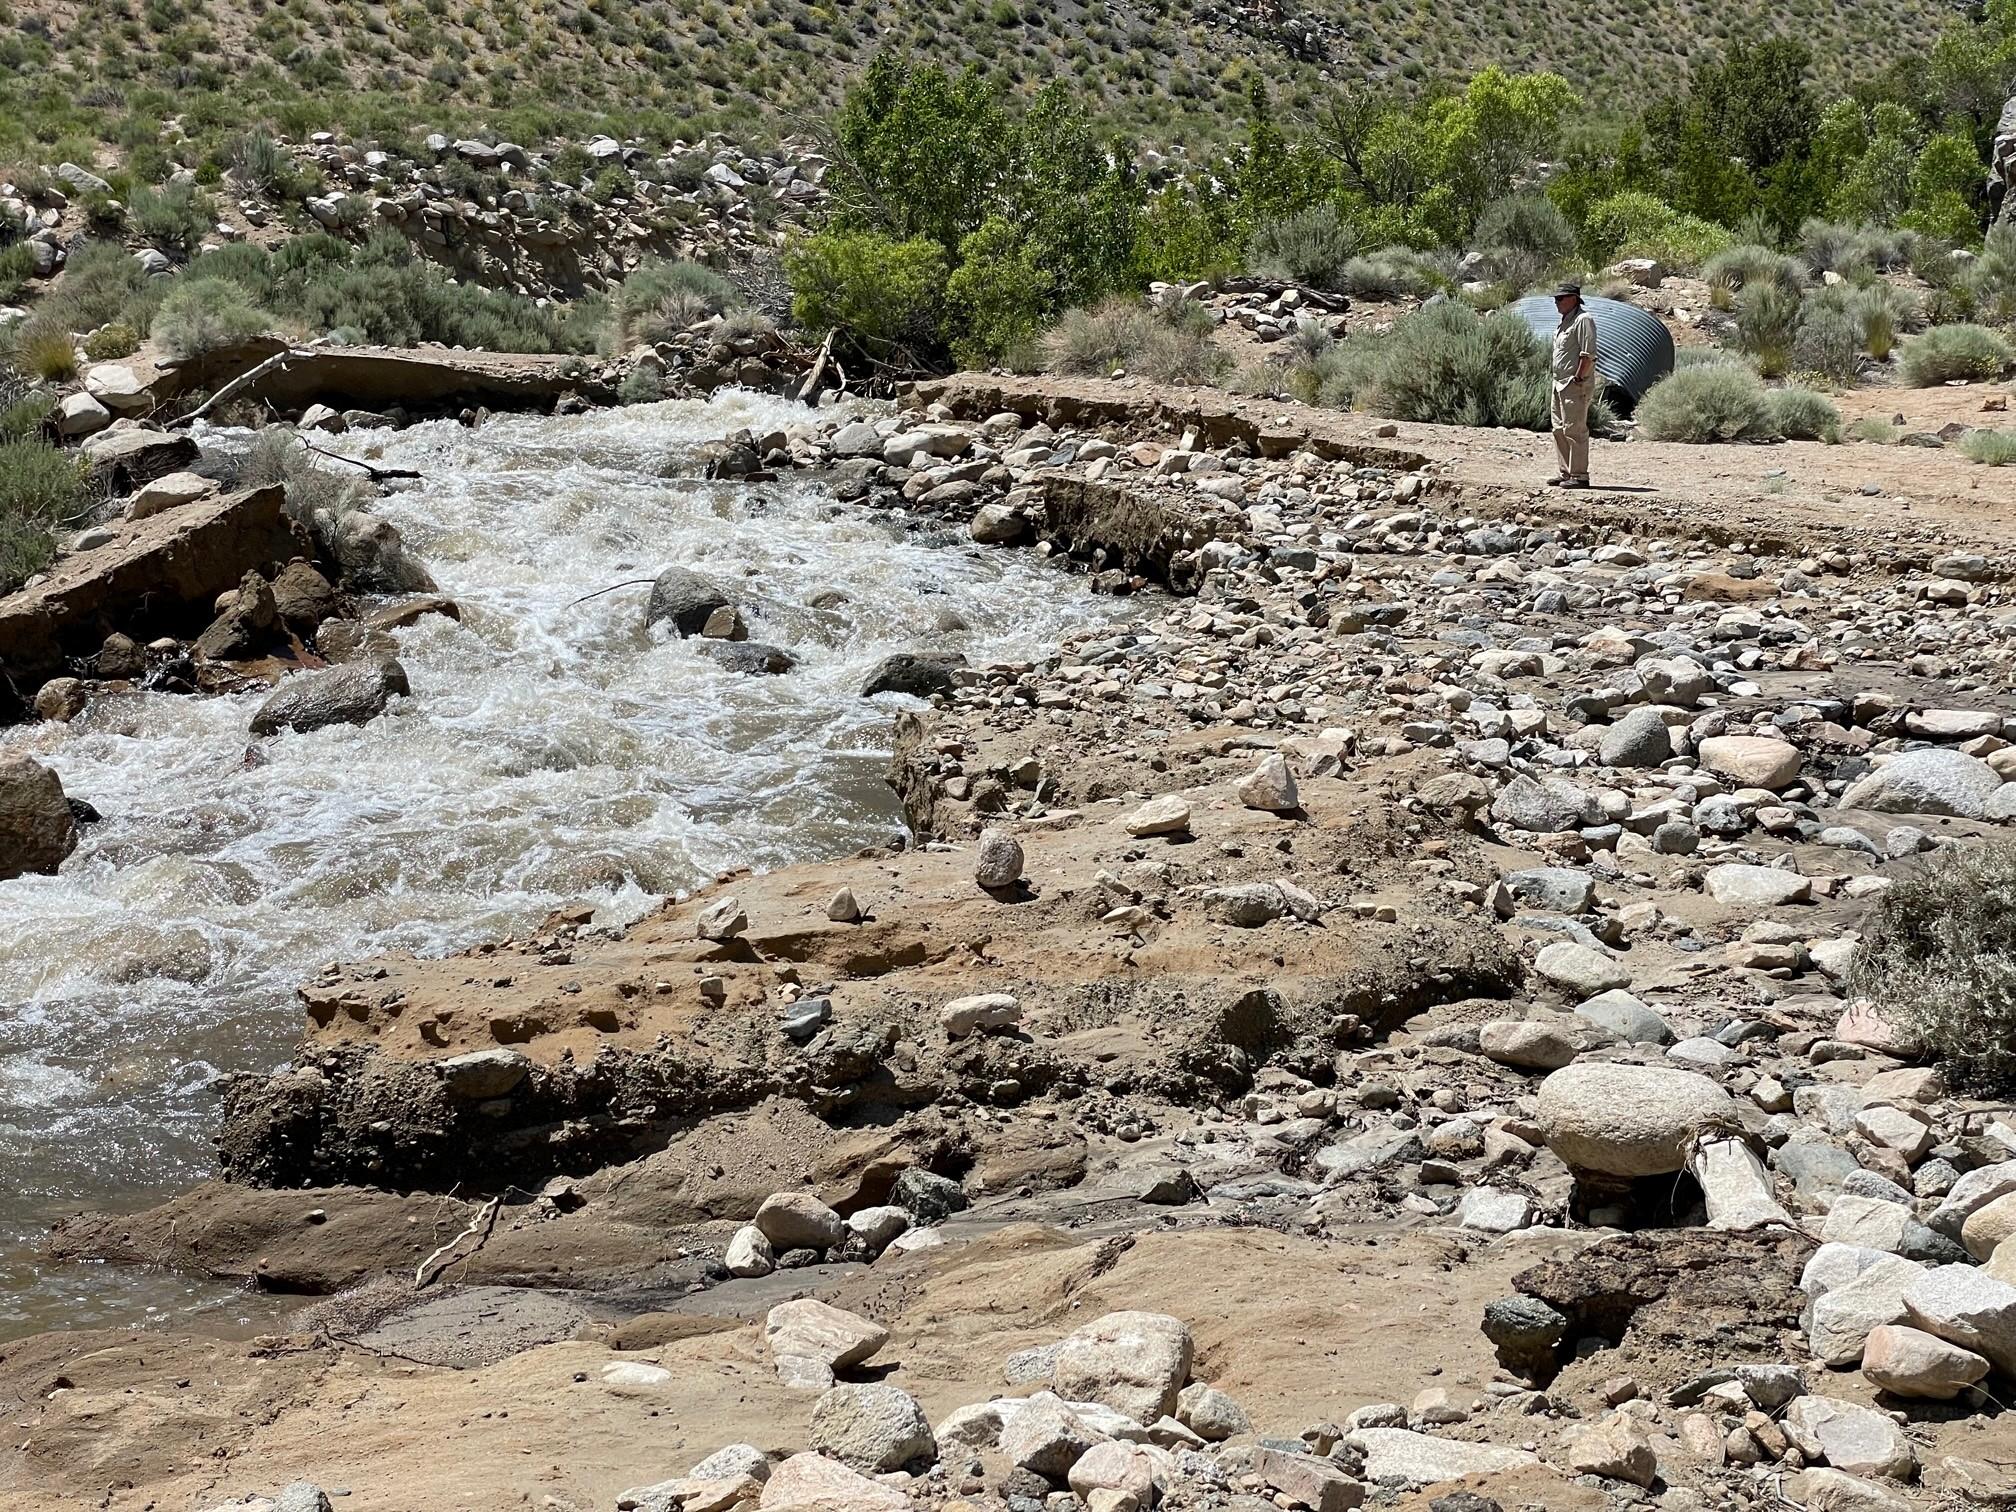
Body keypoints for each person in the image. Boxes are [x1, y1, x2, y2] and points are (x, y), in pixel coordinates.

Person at [1549, 282, 1597, 489]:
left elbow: (1588, 354)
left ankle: (1579, 475)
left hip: (1573, 384)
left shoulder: (1583, 320)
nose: (1556, 302)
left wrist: (1579, 377)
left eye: (1560, 298)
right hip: (1559, 383)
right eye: (1556, 298)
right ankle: (1565, 472)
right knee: (1559, 429)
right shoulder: (1564, 322)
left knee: (1575, 430)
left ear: (1573, 299)